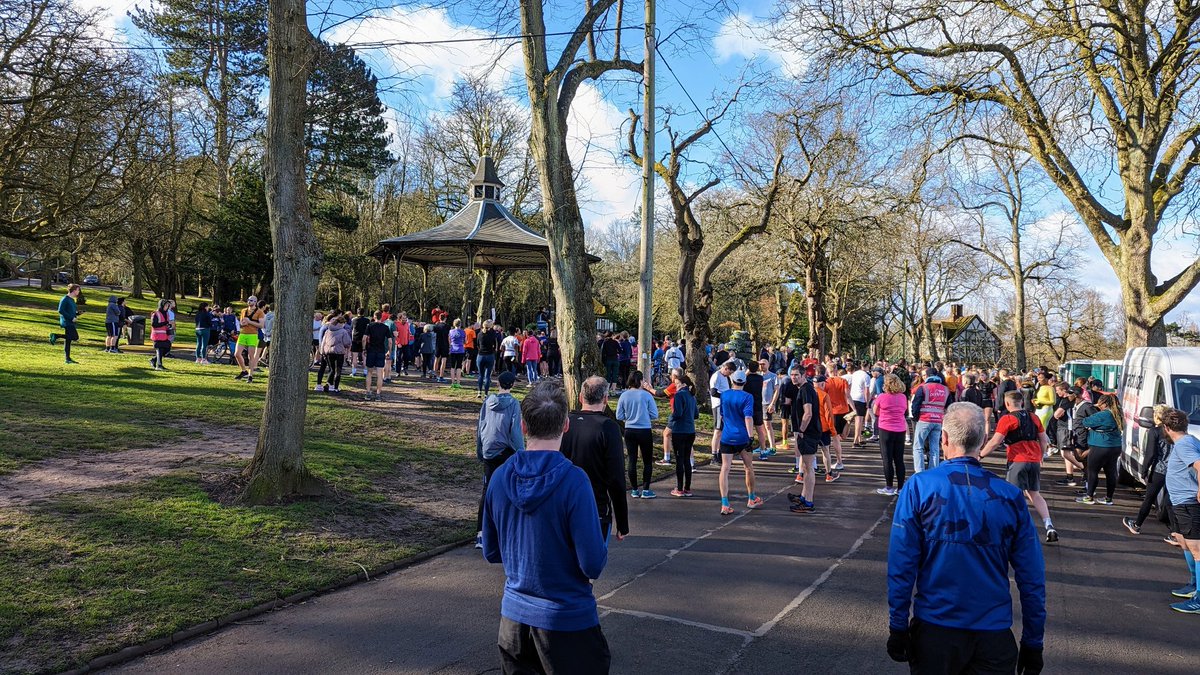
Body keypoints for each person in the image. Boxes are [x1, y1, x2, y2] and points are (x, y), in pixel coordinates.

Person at [887, 402, 1046, 675]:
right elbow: (1032, 577)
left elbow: (902, 564)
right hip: (992, 634)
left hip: (936, 631)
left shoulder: (919, 487)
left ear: (944, 438)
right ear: (983, 440)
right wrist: (1033, 641)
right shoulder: (1010, 496)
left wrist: (898, 625)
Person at [481, 383, 609, 673]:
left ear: (523, 426)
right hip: (567, 621)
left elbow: (491, 550)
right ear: (565, 425)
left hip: (513, 621)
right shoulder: (575, 481)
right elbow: (592, 564)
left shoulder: (500, 477)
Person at [982, 391, 1059, 543]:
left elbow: (995, 441)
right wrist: (1041, 456)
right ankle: (1048, 524)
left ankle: (1017, 530)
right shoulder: (1033, 417)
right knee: (1034, 494)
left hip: (1018, 460)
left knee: (1014, 496)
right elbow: (1044, 440)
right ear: (1022, 402)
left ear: (1007, 403)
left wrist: (980, 455)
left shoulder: (1008, 419)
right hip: (1034, 460)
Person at [560, 376, 630, 542]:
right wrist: (622, 522)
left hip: (564, 506)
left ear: (580, 397)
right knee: (592, 562)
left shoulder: (565, 424)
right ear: (605, 399)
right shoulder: (608, 427)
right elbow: (616, 478)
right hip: (595, 509)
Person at [475, 371, 525, 548]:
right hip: (506, 450)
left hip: (489, 449)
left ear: (498, 384)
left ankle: (481, 532)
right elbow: (515, 431)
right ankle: (506, 531)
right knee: (509, 489)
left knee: (487, 490)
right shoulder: (514, 404)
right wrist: (521, 453)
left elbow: (481, 426)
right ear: (512, 385)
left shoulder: (487, 402)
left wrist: (480, 450)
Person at [1161, 408, 1200, 613]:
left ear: (1167, 428)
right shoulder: (1189, 441)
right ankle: (1194, 585)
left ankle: (1199, 600)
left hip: (1188, 502)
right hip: (1179, 501)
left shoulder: (1185, 444)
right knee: (1183, 541)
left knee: (1197, 549)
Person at [717, 369, 763, 516]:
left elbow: (723, 416)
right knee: (748, 467)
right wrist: (750, 437)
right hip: (742, 436)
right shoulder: (747, 397)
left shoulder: (724, 395)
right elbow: (748, 418)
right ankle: (751, 498)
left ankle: (725, 503)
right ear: (745, 382)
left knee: (725, 468)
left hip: (727, 436)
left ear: (732, 380)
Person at [1125, 404, 1175, 535]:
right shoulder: (1174, 431)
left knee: (1149, 498)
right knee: (1170, 502)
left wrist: (1144, 470)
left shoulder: (1155, 431)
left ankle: (1137, 525)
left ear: (1157, 416)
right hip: (1174, 471)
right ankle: (1176, 533)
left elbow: (1150, 453)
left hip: (1159, 469)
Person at [616, 370, 659, 499]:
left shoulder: (624, 395)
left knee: (632, 459)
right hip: (645, 429)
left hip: (630, 430)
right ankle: (646, 489)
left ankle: (634, 489)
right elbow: (654, 414)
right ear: (640, 381)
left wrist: (628, 417)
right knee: (647, 461)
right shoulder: (646, 396)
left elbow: (619, 415)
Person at [1076, 393, 1124, 505]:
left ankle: (1089, 497)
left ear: (1104, 403)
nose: (1099, 405)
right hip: (1115, 446)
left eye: (1100, 403)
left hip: (1100, 446)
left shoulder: (1103, 415)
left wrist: (1092, 425)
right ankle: (1108, 498)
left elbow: (1085, 422)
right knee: (1111, 473)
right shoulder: (1118, 414)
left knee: (1092, 471)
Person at [787, 367, 822, 513]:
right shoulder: (804, 389)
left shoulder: (806, 390)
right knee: (806, 468)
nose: (793, 378)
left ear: (803, 376)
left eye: (796, 375)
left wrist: (801, 430)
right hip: (807, 433)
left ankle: (808, 502)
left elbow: (808, 414)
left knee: (808, 468)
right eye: (792, 375)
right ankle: (803, 496)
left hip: (808, 433)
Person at [873, 374, 910, 497]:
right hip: (900, 430)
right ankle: (900, 488)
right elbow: (905, 412)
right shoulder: (903, 397)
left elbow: (875, 411)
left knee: (887, 459)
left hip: (885, 429)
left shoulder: (882, 397)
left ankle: (889, 487)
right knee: (899, 459)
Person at [663, 369, 697, 497]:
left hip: (679, 430)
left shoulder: (679, 395)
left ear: (683, 385)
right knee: (687, 459)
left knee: (679, 460)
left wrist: (671, 417)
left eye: (677, 384)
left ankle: (679, 487)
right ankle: (687, 487)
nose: (675, 386)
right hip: (690, 430)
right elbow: (696, 414)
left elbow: (678, 413)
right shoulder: (691, 396)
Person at [910, 368, 950, 473]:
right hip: (938, 420)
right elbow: (949, 406)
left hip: (924, 419)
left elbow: (916, 404)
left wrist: (915, 417)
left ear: (927, 376)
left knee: (918, 447)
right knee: (935, 448)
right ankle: (933, 471)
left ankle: (919, 472)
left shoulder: (923, 388)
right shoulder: (945, 389)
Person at [315, 314, 351, 393]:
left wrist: (322, 351)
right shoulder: (343, 331)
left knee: (331, 369)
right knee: (338, 370)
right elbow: (347, 343)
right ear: (342, 323)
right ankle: (335, 387)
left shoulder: (328, 330)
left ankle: (329, 384)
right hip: (339, 352)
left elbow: (324, 342)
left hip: (328, 352)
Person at [234, 296, 265, 383]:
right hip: (243, 334)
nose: (249, 302)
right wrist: (243, 323)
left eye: (251, 300)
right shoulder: (243, 310)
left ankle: (250, 376)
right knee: (237, 354)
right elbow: (241, 322)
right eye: (248, 300)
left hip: (252, 335)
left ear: (255, 302)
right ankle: (244, 371)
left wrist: (249, 321)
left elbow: (261, 325)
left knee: (251, 356)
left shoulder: (260, 312)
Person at [709, 360, 736, 460]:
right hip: (718, 406)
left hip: (724, 406)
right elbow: (713, 392)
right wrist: (725, 397)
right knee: (718, 430)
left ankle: (720, 452)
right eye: (730, 372)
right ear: (725, 368)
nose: (730, 375)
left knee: (723, 430)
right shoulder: (717, 376)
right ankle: (714, 455)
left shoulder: (725, 377)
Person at [363, 311, 392, 401]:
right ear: (382, 317)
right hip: (381, 351)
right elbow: (390, 341)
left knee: (369, 373)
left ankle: (368, 393)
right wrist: (389, 351)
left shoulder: (369, 326)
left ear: (374, 317)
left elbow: (364, 338)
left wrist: (364, 349)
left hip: (371, 350)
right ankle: (378, 394)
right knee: (380, 374)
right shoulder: (385, 327)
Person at [51, 284, 82, 364]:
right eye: (78, 290)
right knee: (75, 337)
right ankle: (56, 335)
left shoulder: (72, 300)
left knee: (68, 340)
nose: (79, 292)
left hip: (71, 321)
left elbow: (70, 310)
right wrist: (71, 318)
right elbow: (60, 310)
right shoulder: (65, 299)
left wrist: (77, 313)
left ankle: (67, 359)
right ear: (74, 290)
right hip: (67, 321)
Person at [848, 361, 872, 447]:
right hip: (860, 399)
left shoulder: (855, 374)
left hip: (852, 397)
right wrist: (867, 401)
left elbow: (850, 385)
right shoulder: (866, 376)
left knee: (856, 420)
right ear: (868, 366)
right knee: (859, 420)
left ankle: (859, 438)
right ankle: (855, 440)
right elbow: (866, 391)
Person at [476, 319, 499, 398]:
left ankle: (479, 392)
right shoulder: (492, 334)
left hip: (481, 355)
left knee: (480, 375)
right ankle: (486, 393)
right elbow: (494, 344)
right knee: (488, 376)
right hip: (489, 355)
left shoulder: (479, 334)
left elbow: (477, 345)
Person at [447, 318, 467, 390]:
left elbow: (449, 340)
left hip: (453, 350)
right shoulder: (463, 332)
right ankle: (458, 382)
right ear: (460, 324)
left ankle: (452, 382)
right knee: (459, 366)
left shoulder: (450, 331)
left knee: (452, 367)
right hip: (460, 350)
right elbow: (465, 341)